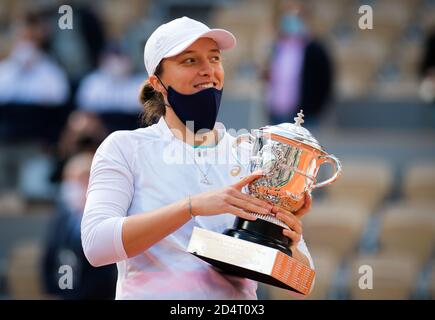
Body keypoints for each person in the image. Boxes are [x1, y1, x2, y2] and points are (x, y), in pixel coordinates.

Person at [81, 16, 314, 300]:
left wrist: (289, 239)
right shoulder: (125, 148)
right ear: (157, 82)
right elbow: (96, 246)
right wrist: (191, 207)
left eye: (214, 59)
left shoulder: (253, 155)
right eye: (190, 61)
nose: (208, 70)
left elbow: (304, 281)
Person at [263, 0, 333, 126]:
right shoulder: (277, 46)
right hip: (276, 112)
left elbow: (325, 81)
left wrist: (315, 108)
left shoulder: (315, 49)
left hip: (304, 115)